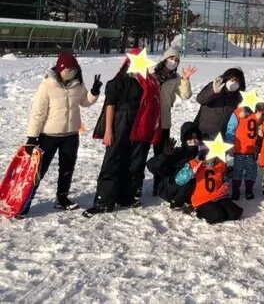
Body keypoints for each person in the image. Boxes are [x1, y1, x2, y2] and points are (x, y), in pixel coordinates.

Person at [83, 48, 161, 217]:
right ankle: (104, 201)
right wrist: (108, 131)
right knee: (113, 161)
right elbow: (110, 106)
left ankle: (127, 196)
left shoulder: (148, 81)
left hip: (140, 127)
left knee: (134, 163)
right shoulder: (119, 80)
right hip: (120, 124)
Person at [21, 51, 101, 215]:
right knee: (39, 170)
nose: (70, 71)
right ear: (60, 68)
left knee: (67, 167)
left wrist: (93, 92)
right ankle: (24, 201)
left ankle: (62, 198)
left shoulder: (77, 84)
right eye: (67, 68)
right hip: (48, 136)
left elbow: (84, 102)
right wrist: (32, 138)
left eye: (73, 68)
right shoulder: (47, 85)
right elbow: (38, 112)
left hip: (71, 135)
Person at [147, 48, 197, 196]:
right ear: (164, 59)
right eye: (171, 58)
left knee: (162, 153)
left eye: (176, 60)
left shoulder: (176, 78)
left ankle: (158, 184)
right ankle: (136, 185)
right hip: (147, 119)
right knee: (140, 151)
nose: (173, 62)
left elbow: (185, 95)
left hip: (164, 121)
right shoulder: (150, 72)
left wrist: (185, 79)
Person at [174, 147, 243, 224]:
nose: (211, 157)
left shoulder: (221, 163)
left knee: (235, 214)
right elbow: (178, 180)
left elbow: (224, 177)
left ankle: (220, 208)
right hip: (202, 199)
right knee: (217, 216)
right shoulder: (194, 163)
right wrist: (191, 172)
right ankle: (199, 210)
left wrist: (226, 183)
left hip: (218, 195)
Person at [146, 121, 204, 210]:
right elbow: (151, 166)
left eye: (195, 139)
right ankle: (176, 203)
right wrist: (164, 156)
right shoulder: (177, 153)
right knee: (188, 179)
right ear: (184, 140)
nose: (193, 141)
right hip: (170, 188)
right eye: (189, 139)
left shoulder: (201, 154)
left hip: (189, 191)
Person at [194, 68, 245, 141]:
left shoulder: (237, 96)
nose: (234, 83)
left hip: (221, 138)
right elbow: (200, 99)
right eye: (232, 80)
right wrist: (213, 92)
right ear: (226, 78)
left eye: (237, 82)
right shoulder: (215, 85)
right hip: (203, 134)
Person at [224, 105, 262, 200]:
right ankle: (236, 189)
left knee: (251, 170)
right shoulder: (237, 113)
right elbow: (230, 128)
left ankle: (249, 189)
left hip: (252, 150)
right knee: (238, 170)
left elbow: (263, 130)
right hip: (239, 149)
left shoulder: (258, 114)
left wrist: (259, 146)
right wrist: (230, 143)